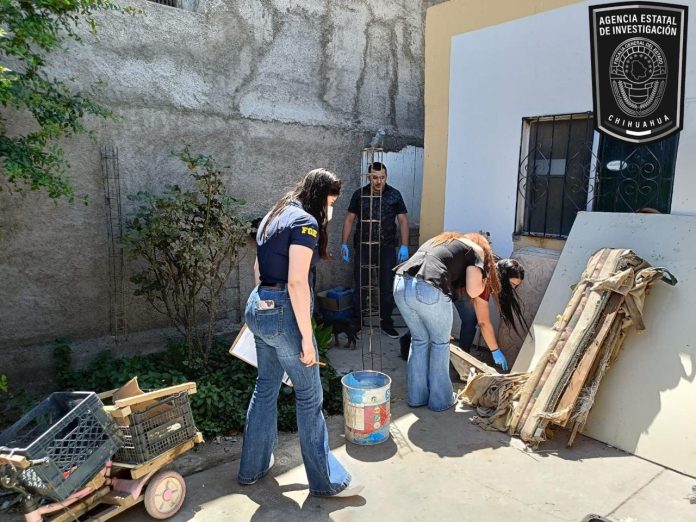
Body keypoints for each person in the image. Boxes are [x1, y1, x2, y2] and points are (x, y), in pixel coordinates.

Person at [239, 169, 363, 498]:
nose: (331, 210)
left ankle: (252, 468)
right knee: (309, 396)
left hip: (259, 304)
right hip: (284, 312)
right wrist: (307, 339)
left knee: (265, 387)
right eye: (331, 202)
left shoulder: (274, 215)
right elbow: (296, 282)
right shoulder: (305, 223)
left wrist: (267, 307)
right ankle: (326, 482)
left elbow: (257, 269)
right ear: (320, 196)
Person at [393, 232, 526, 411]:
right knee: (440, 344)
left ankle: (416, 397)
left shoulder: (449, 241)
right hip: (429, 287)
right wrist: (495, 350)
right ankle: (441, 401)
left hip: (400, 283)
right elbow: (474, 293)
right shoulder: (478, 251)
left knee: (419, 342)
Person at [340, 162, 409, 338]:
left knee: (386, 286)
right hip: (363, 246)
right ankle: (357, 321)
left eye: (382, 177)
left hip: (386, 247)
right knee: (360, 284)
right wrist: (344, 243)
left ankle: (386, 322)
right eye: (375, 178)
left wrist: (404, 245)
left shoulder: (394, 195)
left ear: (386, 177)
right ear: (369, 177)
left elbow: (402, 221)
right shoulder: (360, 195)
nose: (379, 181)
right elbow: (349, 219)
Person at [455, 258, 526, 356]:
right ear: (503, 276)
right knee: (470, 321)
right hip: (455, 285)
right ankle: (462, 355)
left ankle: (462, 353)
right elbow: (483, 323)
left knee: (471, 321)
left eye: (515, 286)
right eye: (512, 284)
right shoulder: (486, 279)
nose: (512, 288)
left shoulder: (498, 266)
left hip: (456, 282)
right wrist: (495, 350)